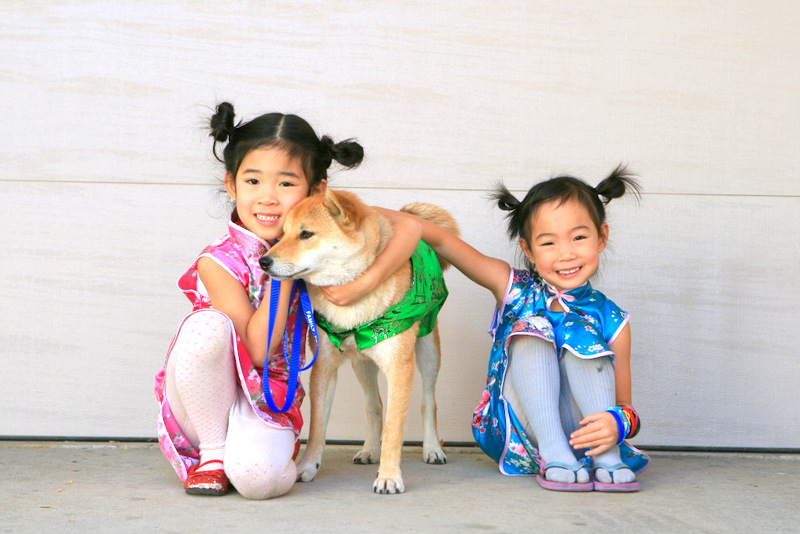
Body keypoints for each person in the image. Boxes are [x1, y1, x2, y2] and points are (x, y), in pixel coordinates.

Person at [154, 102, 421, 499]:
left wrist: (366, 281)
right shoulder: (219, 261)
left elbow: (412, 225)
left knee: (262, 482)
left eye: (285, 183)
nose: (267, 198)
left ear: (316, 191)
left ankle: (245, 453)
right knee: (206, 327)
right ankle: (212, 456)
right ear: (231, 185)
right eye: (253, 181)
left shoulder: (319, 227)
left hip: (266, 399)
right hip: (205, 399)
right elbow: (258, 350)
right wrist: (283, 273)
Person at [409, 165, 650, 491]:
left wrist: (616, 425)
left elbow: (626, 408)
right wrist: (374, 217)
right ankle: (553, 453)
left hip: (583, 438)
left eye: (579, 237)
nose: (566, 253)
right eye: (548, 243)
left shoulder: (613, 318)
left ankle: (605, 456)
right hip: (518, 434)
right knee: (531, 328)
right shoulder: (512, 288)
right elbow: (440, 239)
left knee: (582, 331)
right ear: (528, 250)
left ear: (601, 237)